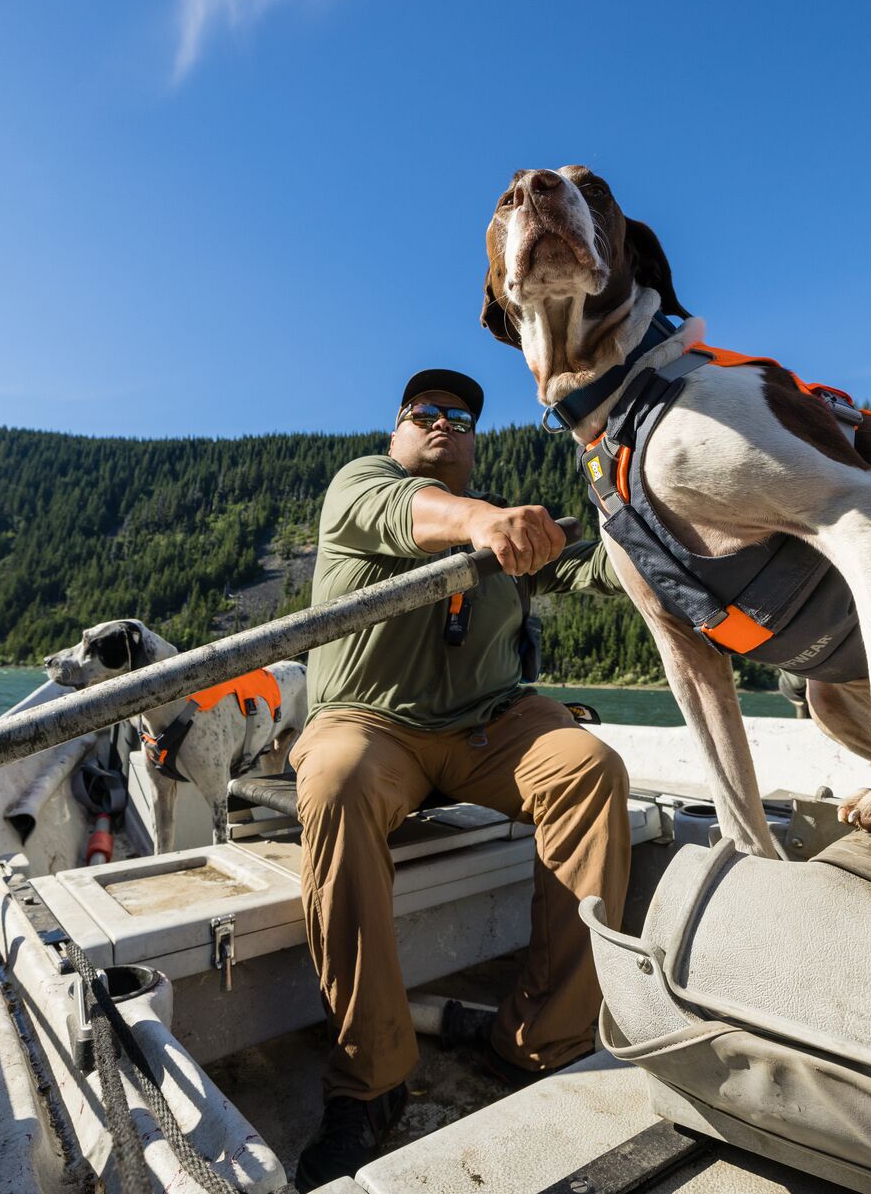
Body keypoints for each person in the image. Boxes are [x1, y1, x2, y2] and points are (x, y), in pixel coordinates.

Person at [290, 368, 632, 1188]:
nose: (445, 422)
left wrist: (655, 540)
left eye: (462, 417)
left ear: (478, 443)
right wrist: (485, 522)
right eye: (426, 412)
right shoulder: (364, 487)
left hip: (485, 729)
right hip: (371, 723)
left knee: (590, 767)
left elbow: (596, 571)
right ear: (398, 430)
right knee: (334, 780)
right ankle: (370, 1079)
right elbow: (417, 516)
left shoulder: (509, 537)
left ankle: (543, 1041)